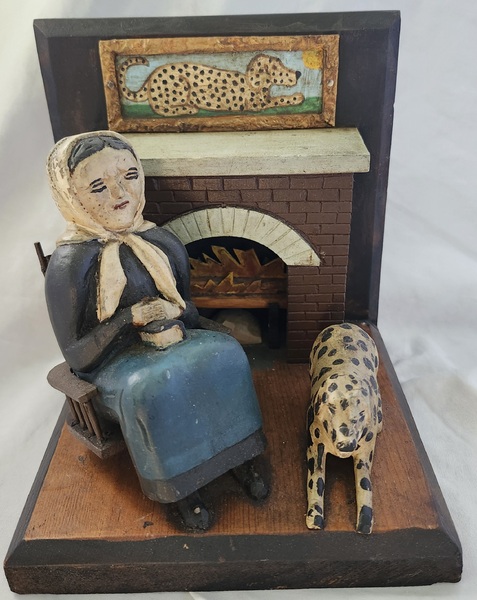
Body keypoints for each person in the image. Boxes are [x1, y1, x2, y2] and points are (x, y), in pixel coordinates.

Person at [45, 130, 267, 530]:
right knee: (153, 387)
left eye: (129, 176)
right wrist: (127, 319)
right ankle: (181, 489)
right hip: (113, 366)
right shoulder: (70, 265)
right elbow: (77, 356)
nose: (120, 193)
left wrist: (175, 310)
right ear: (71, 195)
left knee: (227, 355)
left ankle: (242, 458)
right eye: (99, 186)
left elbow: (190, 311)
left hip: (172, 338)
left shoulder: (160, 241)